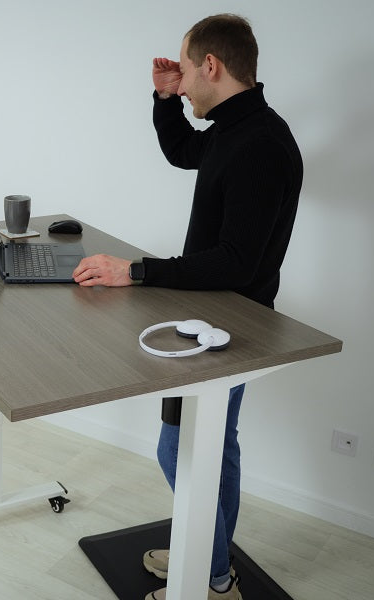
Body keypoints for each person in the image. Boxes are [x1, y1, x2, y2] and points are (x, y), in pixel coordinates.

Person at [72, 14, 302, 600]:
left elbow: (236, 263)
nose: (181, 75)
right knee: (212, 447)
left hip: (231, 325)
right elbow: (181, 151)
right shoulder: (234, 128)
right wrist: (165, 98)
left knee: (183, 448)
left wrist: (136, 272)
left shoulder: (261, 145)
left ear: (212, 66)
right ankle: (211, 557)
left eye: (185, 66)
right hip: (209, 317)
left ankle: (212, 574)